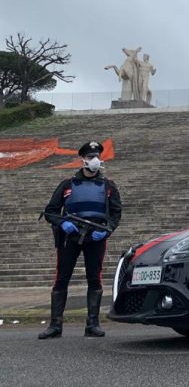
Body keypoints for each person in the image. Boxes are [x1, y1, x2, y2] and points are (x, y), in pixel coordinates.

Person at [38, 141, 122, 339]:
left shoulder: (108, 186)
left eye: (96, 156)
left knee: (95, 279)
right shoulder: (67, 184)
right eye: (89, 156)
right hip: (70, 236)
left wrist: (107, 230)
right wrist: (62, 224)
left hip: (96, 236)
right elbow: (50, 211)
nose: (94, 160)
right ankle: (55, 325)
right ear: (81, 159)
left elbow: (116, 213)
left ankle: (92, 324)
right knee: (61, 279)